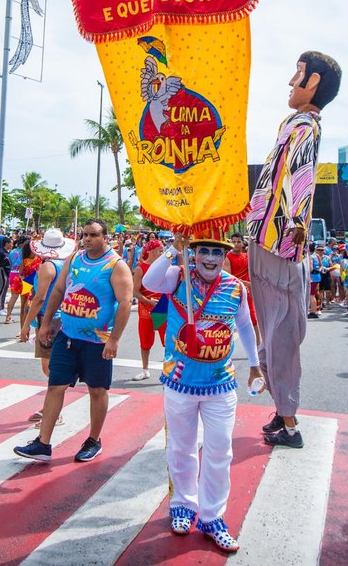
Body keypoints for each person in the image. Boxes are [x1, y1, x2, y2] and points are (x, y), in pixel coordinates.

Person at [245, 50, 342, 449]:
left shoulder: (303, 123)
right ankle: (282, 412)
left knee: (281, 330)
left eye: (298, 74)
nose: (290, 81)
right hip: (273, 237)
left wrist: (294, 231)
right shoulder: (297, 122)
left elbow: (301, 177)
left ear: (313, 81)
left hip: (277, 241)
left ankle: (288, 421)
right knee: (274, 330)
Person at [142, 233, 261, 553]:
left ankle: (212, 517)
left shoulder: (235, 287)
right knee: (181, 449)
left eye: (216, 253)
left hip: (220, 384)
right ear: (194, 253)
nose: (210, 258)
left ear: (225, 256)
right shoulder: (178, 275)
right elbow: (151, 282)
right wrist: (173, 249)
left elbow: (246, 326)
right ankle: (182, 505)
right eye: (203, 251)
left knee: (221, 451)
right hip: (179, 382)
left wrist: (255, 364)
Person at [14, 218, 133, 462]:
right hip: (67, 335)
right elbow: (58, 291)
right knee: (55, 386)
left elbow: (125, 303)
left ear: (105, 237)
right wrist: (45, 324)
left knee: (97, 390)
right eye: (84, 235)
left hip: (97, 341)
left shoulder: (115, 265)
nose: (87, 239)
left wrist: (114, 339)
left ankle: (93, 440)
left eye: (93, 235)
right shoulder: (75, 259)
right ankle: (43, 444)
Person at [19, 229, 76, 427]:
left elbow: (39, 298)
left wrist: (26, 324)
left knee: (50, 367)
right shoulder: (65, 264)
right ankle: (50, 407)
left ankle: (54, 411)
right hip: (62, 317)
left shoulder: (47, 267)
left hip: (49, 319)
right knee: (53, 366)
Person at [131, 238, 168, 380]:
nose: (162, 253)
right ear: (152, 252)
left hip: (162, 306)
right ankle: (145, 370)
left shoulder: (164, 267)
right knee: (145, 340)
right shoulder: (141, 268)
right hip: (146, 307)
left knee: (167, 340)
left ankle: (168, 370)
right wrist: (147, 300)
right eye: (160, 251)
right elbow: (135, 291)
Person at [222, 232, 261, 344]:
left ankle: (258, 345)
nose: (236, 244)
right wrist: (246, 283)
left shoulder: (247, 257)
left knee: (253, 318)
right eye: (234, 241)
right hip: (233, 291)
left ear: (242, 243)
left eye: (238, 241)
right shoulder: (228, 257)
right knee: (227, 319)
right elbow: (228, 276)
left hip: (247, 292)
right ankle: (224, 345)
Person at [0, 236, 13, 314]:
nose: (12, 245)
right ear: (7, 243)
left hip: (8, 272)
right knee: (1, 290)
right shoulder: (0, 252)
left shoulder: (8, 252)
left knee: (5, 291)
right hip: (2, 271)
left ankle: (2, 307)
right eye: (11, 243)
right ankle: (0, 309)